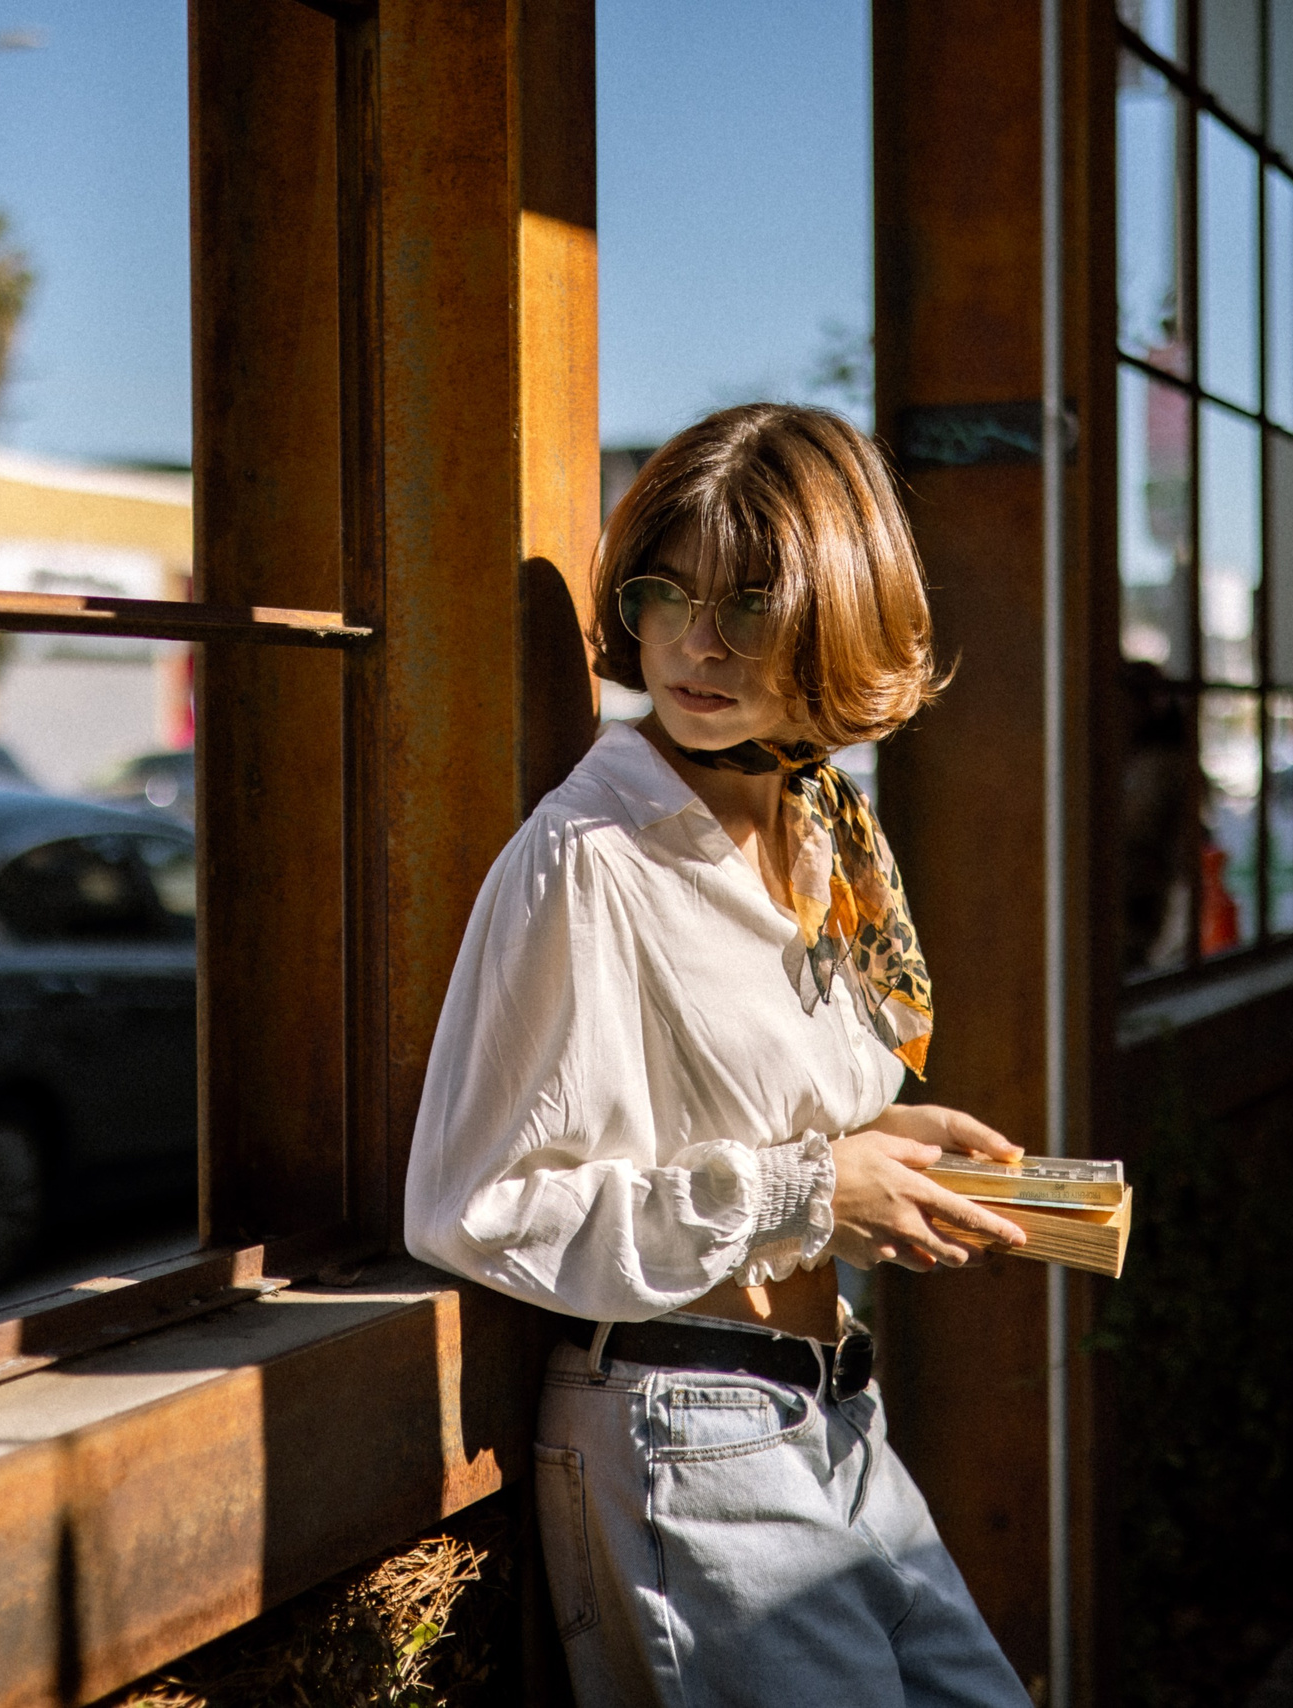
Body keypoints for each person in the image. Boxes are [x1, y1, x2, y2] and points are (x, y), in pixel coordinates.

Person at [405, 404, 1038, 1707]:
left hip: (836, 1413)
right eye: (664, 594)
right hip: (685, 1443)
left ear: (834, 616)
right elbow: (475, 1205)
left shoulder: (825, 832)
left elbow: (762, 1114)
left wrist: (870, 1155)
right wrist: (810, 1193)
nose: (693, 643)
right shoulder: (589, 860)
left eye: (749, 604)